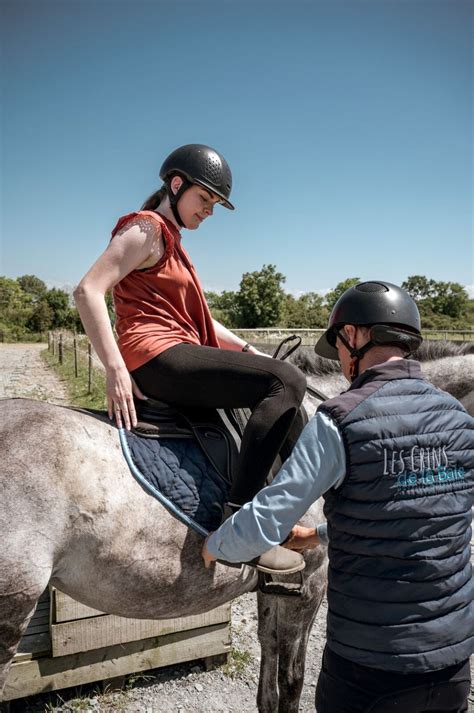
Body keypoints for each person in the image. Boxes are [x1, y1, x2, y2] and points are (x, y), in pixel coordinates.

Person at [202, 280, 474, 713]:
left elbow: (268, 519)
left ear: (355, 336)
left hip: (370, 665)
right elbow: (426, 511)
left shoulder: (339, 420)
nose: (344, 361)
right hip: (453, 662)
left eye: (342, 346)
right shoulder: (459, 417)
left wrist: (216, 544)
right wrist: (318, 534)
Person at [74, 143, 306, 575]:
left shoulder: (173, 243)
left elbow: (203, 322)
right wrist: (115, 368)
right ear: (176, 185)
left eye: (215, 204)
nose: (209, 212)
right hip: (157, 356)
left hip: (176, 349)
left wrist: (250, 352)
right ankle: (241, 528)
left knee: (285, 385)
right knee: (287, 382)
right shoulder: (147, 227)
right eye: (205, 199)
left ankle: (291, 512)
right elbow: (88, 290)